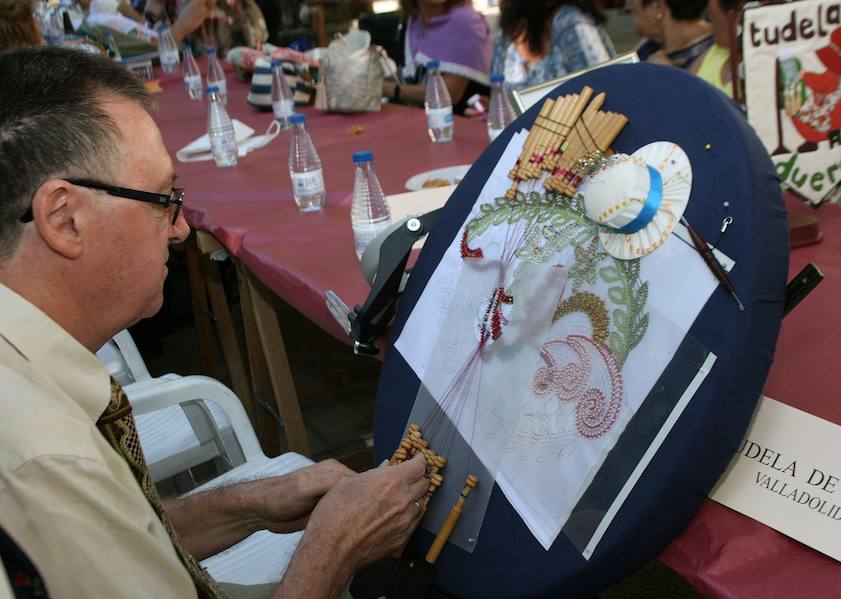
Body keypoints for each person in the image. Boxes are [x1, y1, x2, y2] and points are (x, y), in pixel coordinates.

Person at [0, 46, 428, 599]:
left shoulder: (33, 366)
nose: (178, 231)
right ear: (64, 219)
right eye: (161, 200)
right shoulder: (43, 463)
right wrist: (333, 548)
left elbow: (125, 546)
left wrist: (251, 503)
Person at [383, 0, 492, 114]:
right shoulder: (413, 21)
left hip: (461, 122)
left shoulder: (465, 20)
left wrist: (386, 89)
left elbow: (450, 93)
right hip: (421, 119)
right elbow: (412, 77)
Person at [490, 0, 616, 91]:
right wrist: (491, 108)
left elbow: (603, 91)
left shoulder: (569, 23)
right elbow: (499, 93)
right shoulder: (507, 31)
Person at [631, 0, 712, 73]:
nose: (631, 5)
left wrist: (668, 77)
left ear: (658, 6)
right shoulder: (650, 43)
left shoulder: (711, 61)